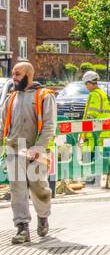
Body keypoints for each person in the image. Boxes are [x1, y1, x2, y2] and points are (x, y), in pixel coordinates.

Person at [2, 62, 56, 244]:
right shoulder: (11, 99)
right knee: (17, 189)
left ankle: (43, 217)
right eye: (13, 74)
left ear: (29, 75)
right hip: (15, 149)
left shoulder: (44, 96)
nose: (14, 77)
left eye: (17, 74)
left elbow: (49, 126)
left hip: (36, 151)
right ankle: (22, 227)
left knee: (38, 186)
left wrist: (38, 148)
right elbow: (3, 125)